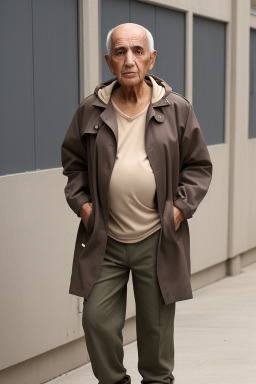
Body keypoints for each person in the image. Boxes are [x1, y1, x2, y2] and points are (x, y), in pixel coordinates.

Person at [61, 23, 212, 384]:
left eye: (137, 51)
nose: (129, 60)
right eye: (120, 52)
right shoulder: (90, 110)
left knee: (156, 334)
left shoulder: (177, 109)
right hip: (104, 240)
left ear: (151, 58)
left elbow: (198, 166)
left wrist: (178, 210)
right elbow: (73, 164)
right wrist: (83, 206)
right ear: (109, 62)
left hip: (157, 240)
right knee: (96, 320)